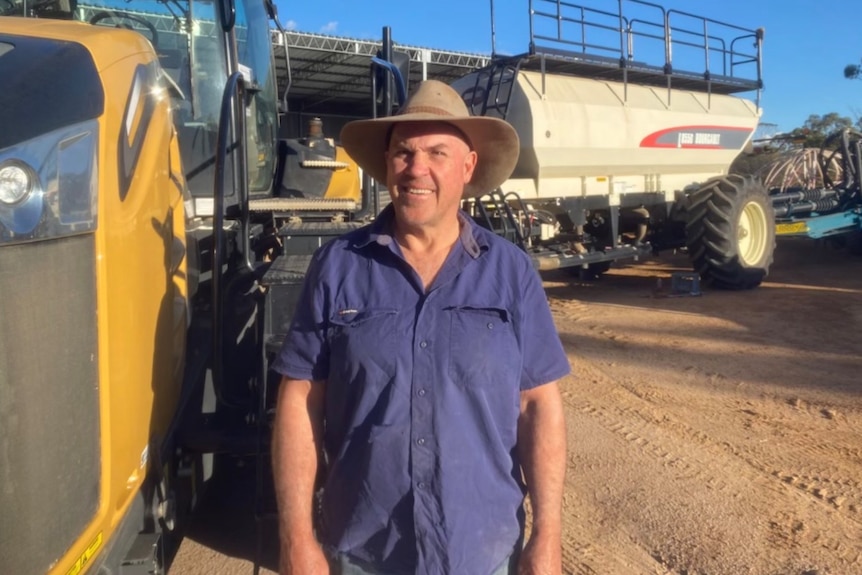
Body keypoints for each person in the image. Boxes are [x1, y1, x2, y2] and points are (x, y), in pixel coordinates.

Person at [271, 79, 570, 575]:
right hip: (365, 552)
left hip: (482, 551)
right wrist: (296, 539)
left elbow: (538, 406)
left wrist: (549, 537)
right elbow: (300, 400)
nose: (417, 169)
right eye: (404, 152)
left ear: (468, 166)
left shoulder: (511, 273)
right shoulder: (337, 267)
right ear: (387, 163)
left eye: (437, 152)